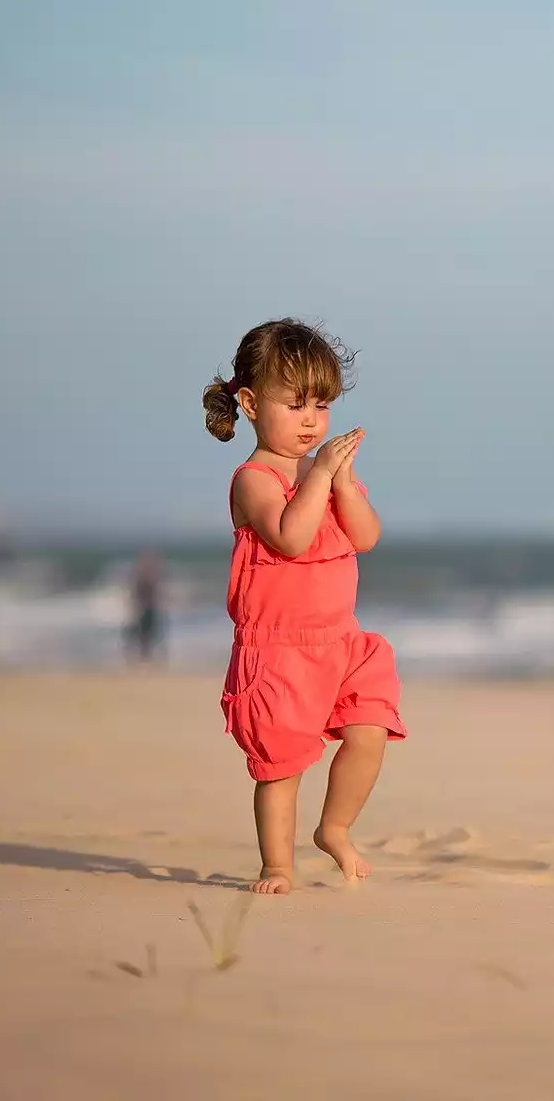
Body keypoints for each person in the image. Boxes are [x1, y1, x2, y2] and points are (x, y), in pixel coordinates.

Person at [201, 318, 404, 894]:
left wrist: (340, 481)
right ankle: (277, 865)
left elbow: (365, 536)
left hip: (341, 641)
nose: (311, 420)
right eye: (294, 405)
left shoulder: (326, 474)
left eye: (321, 405)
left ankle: (334, 827)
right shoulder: (254, 480)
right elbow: (290, 537)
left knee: (370, 730)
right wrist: (316, 481)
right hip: (279, 652)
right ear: (249, 402)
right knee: (282, 765)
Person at [127, 550, 164, 664]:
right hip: (145, 610)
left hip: (149, 610)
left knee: (148, 635)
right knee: (144, 636)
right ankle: (143, 657)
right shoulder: (143, 579)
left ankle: (145, 657)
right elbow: (137, 596)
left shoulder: (148, 579)